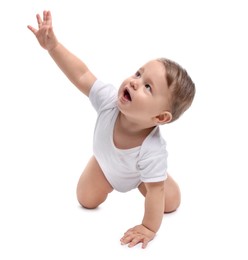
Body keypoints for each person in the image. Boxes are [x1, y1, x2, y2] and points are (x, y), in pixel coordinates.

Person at [27, 10, 195, 249]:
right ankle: (117, 167)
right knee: (85, 200)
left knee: (169, 202)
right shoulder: (109, 102)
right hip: (105, 166)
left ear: (160, 116)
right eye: (138, 73)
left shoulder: (153, 150)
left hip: (140, 176)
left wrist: (148, 227)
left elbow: (154, 195)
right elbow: (82, 74)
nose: (135, 81)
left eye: (147, 87)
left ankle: (158, 177)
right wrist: (54, 47)